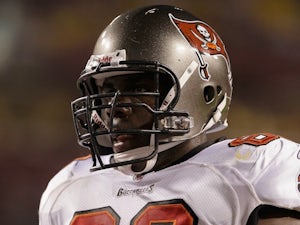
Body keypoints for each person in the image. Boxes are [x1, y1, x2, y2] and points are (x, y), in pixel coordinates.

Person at [39, 5, 300, 225]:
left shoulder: (251, 170)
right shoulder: (68, 186)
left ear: (205, 93)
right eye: (107, 91)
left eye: (138, 88)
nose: (115, 107)